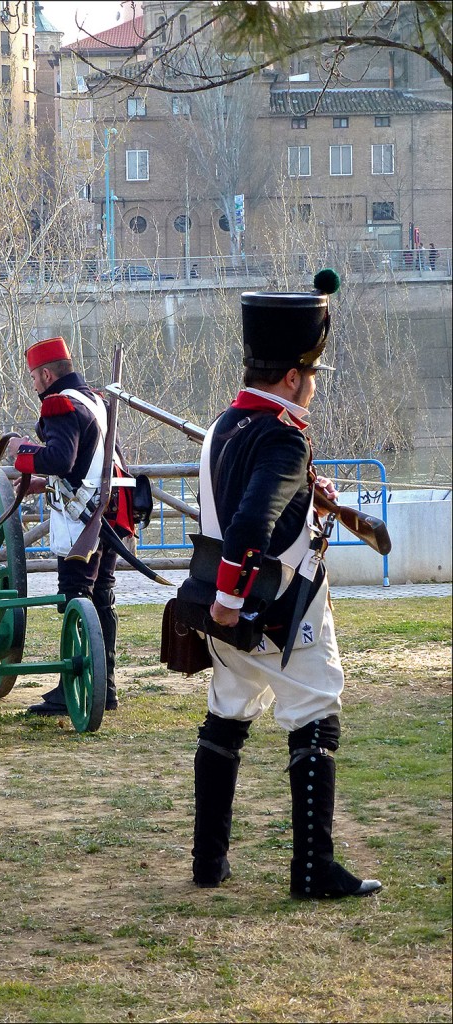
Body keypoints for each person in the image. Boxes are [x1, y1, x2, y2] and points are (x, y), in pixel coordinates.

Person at [190, 270, 382, 900]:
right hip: (272, 607)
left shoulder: (225, 425)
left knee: (227, 714)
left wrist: (304, 492)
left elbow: (236, 500)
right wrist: (227, 598)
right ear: (295, 377)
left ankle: (208, 862)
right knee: (317, 707)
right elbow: (249, 521)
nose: (314, 388)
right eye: (312, 377)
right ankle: (311, 872)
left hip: (234, 619)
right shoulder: (284, 436)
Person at [7, 336, 134, 715]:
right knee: (102, 596)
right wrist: (43, 482)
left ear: (46, 375)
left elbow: (62, 459)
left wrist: (21, 452)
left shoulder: (59, 403)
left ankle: (72, 684)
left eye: (34, 378)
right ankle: (105, 686)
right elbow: (88, 464)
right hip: (108, 510)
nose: (33, 386)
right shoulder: (94, 399)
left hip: (84, 520)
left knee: (76, 596)